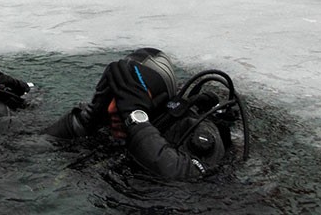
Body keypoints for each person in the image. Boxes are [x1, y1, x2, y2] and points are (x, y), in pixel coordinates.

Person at [45, 48, 247, 180]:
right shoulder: (106, 119)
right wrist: (88, 118)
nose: (113, 109)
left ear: (158, 100)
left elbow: (183, 176)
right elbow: (38, 143)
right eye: (114, 97)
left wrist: (135, 117)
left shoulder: (194, 128)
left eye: (127, 100)